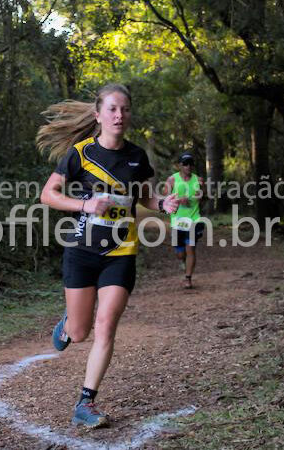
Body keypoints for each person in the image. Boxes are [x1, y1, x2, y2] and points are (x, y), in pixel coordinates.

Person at [38, 83, 179, 428]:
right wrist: (85, 203)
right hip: (82, 251)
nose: (120, 115)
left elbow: (145, 198)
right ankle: (68, 325)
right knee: (82, 331)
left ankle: (85, 402)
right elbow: (48, 195)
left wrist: (164, 204)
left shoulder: (137, 156)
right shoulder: (80, 154)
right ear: (99, 115)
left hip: (121, 252)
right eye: (113, 109)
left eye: (125, 109)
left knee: (106, 328)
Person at [163, 152, 205, 289]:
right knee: (180, 254)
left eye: (190, 163)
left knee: (190, 249)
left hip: (194, 219)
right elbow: (164, 199)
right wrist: (179, 201)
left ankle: (188, 278)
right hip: (177, 221)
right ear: (180, 165)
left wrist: (203, 192)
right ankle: (183, 262)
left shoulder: (198, 180)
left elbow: (207, 197)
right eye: (185, 163)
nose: (188, 166)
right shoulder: (172, 180)